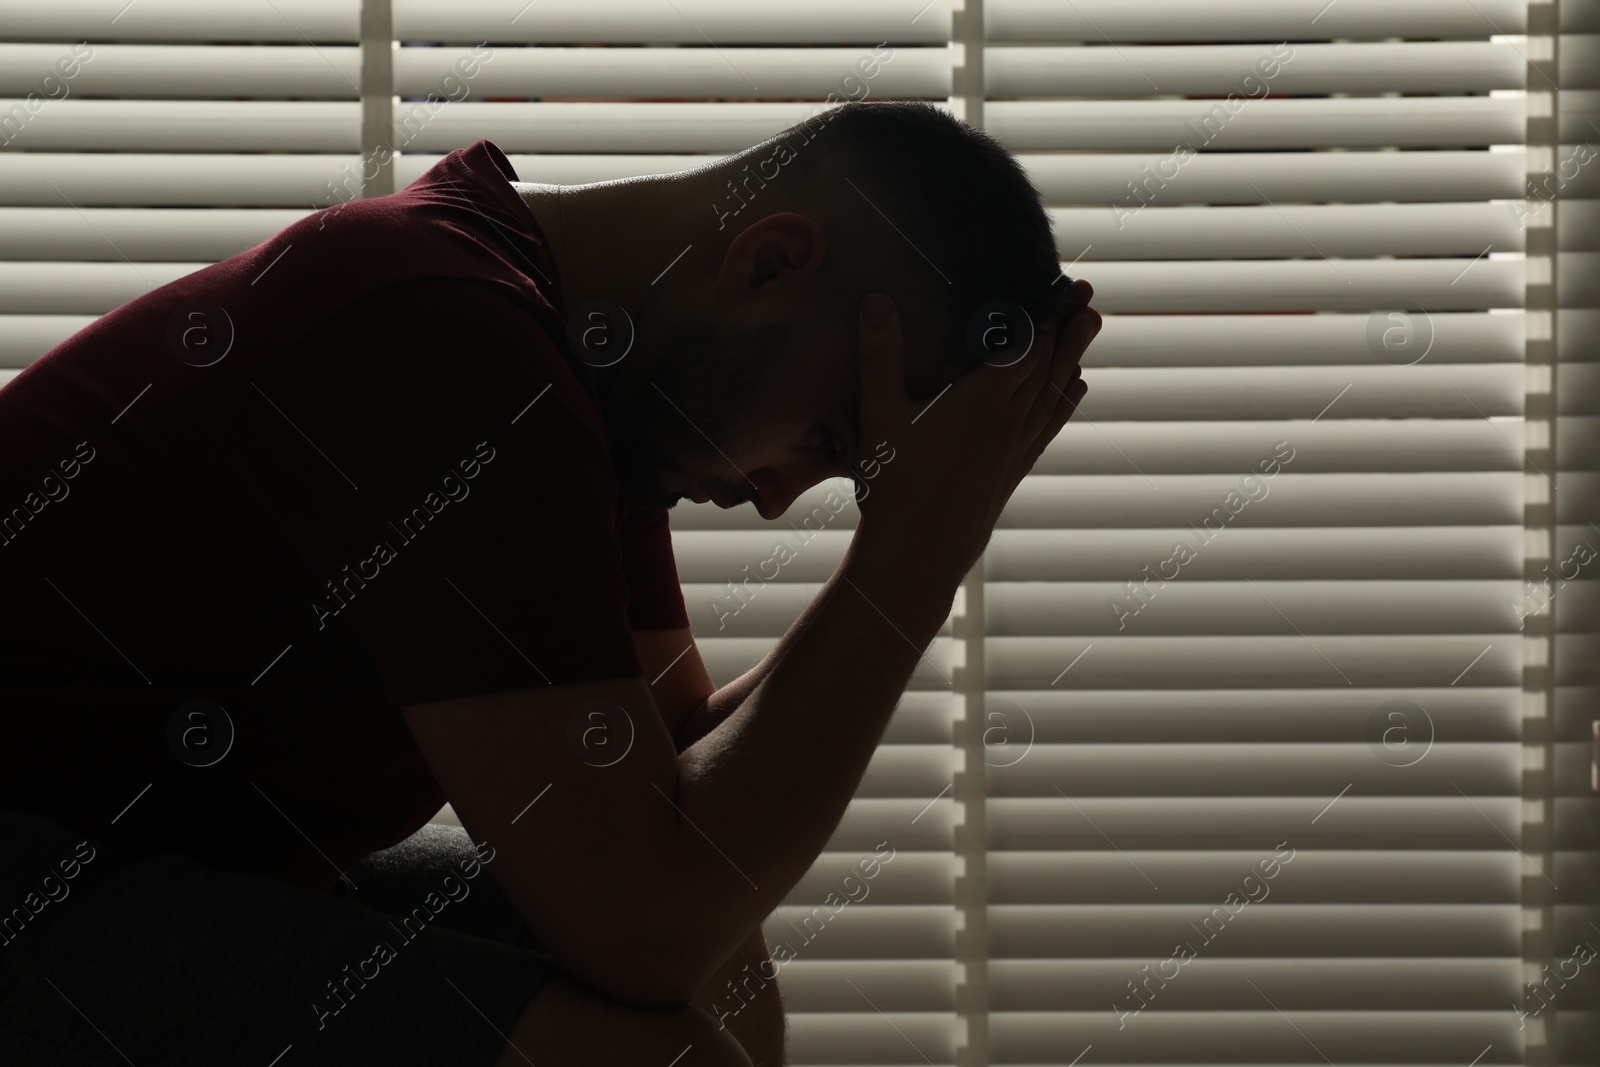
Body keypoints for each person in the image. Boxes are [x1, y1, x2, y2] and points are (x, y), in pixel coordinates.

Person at [0, 99, 1097, 1065]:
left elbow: (673, 784)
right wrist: (914, 550)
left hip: (146, 860)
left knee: (724, 966)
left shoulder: (572, 382)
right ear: (768, 263)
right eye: (827, 435)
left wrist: (918, 538)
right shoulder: (440, 335)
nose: (778, 496)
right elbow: (645, 922)